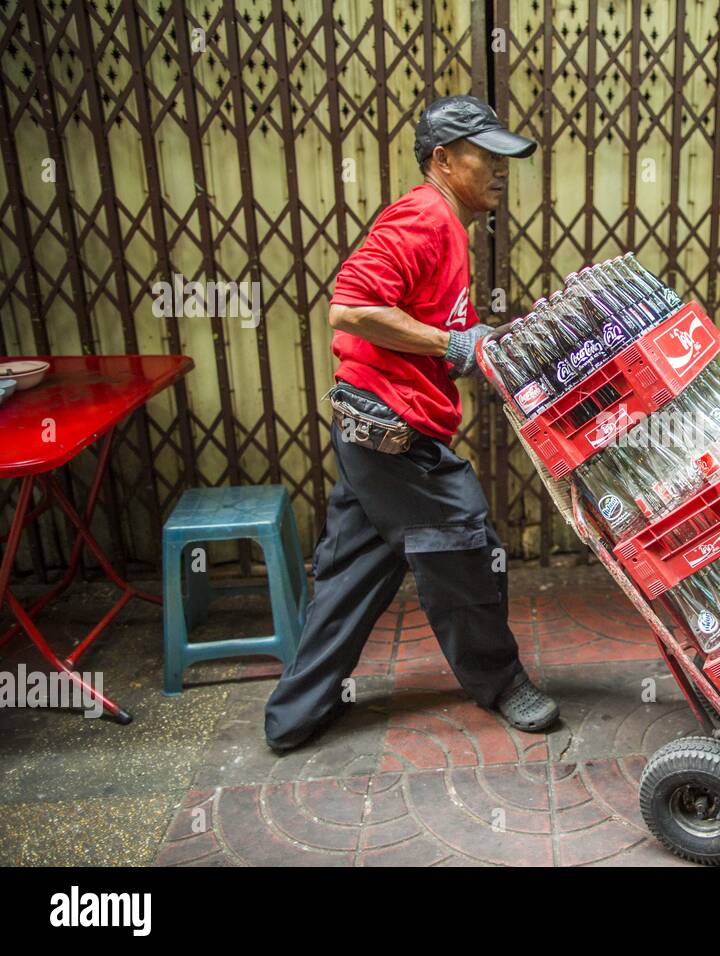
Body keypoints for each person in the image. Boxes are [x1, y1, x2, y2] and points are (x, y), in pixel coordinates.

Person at [264, 95, 559, 752]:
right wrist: (449, 346)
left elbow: (427, 324)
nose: (500, 170)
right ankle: (501, 679)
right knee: (464, 545)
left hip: (372, 427)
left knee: (353, 573)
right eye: (487, 157)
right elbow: (348, 308)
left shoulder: (449, 224)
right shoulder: (422, 216)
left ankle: (295, 715)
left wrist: (473, 345)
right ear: (445, 160)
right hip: (391, 430)